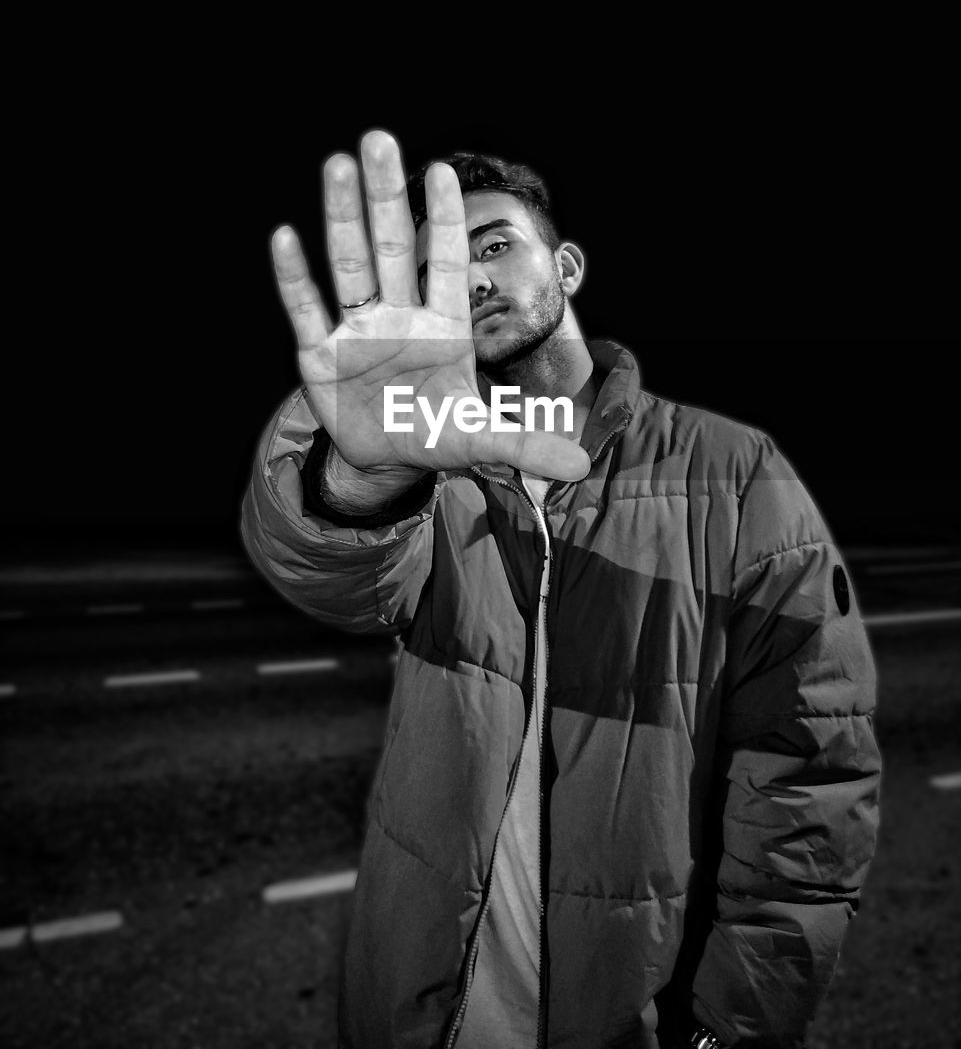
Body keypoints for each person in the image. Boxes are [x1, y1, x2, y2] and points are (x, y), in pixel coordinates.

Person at [241, 130, 881, 1049]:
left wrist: (733, 1026)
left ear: (567, 265)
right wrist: (360, 479)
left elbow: (809, 768)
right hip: (428, 1010)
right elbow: (332, 577)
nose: (467, 280)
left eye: (492, 243)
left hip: (637, 1013)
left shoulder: (733, 469)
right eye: (441, 267)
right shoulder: (433, 472)